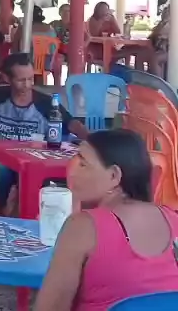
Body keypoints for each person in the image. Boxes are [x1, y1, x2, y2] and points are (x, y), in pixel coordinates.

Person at [35, 129, 178, 311]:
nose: (72, 171)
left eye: (83, 164)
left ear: (113, 176)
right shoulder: (173, 219)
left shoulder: (84, 227)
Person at [0, 53, 89, 215]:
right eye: (21, 80)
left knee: (36, 179)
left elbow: (71, 123)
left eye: (30, 79)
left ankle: (19, 214)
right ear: (7, 78)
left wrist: (90, 137)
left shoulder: (44, 103)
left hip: (34, 160)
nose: (27, 85)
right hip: (2, 159)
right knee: (2, 174)